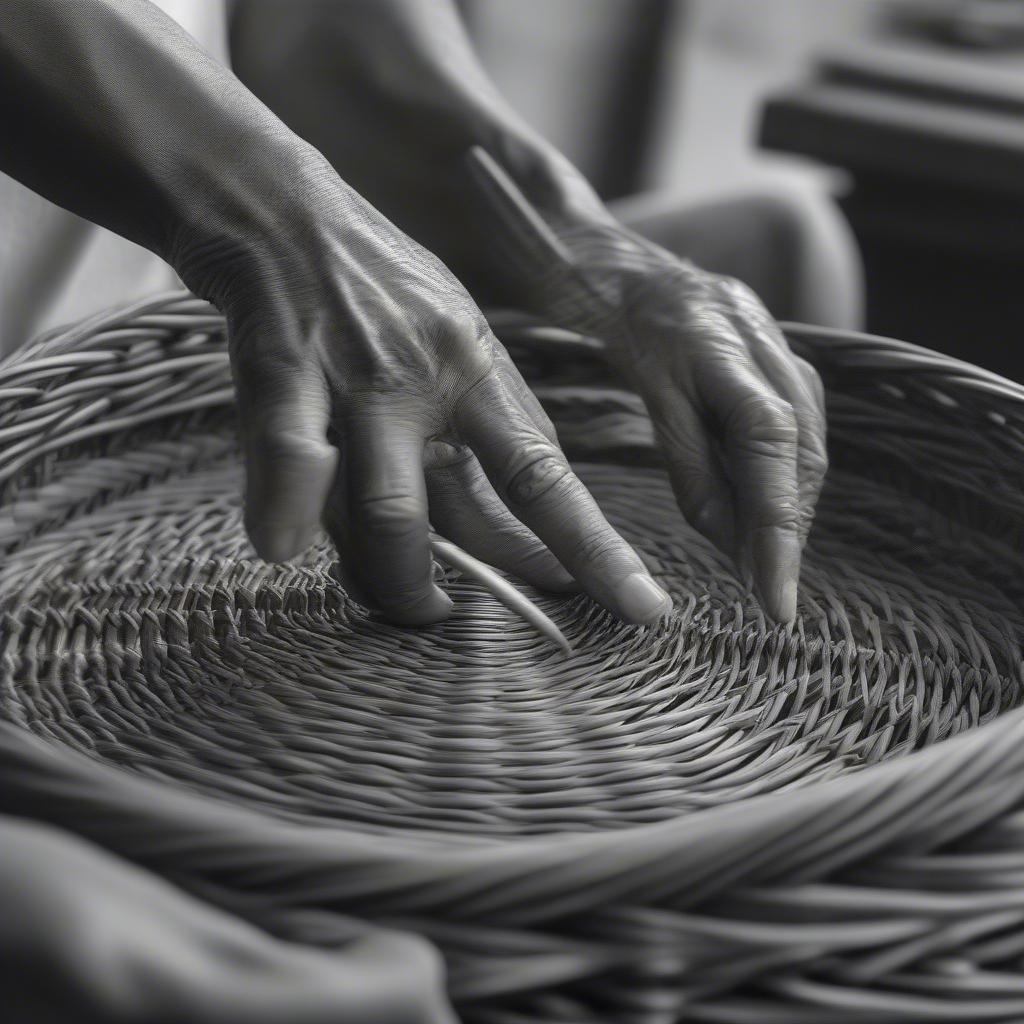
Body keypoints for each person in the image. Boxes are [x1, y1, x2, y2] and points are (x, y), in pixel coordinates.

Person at [0, 2, 861, 1021]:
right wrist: (275, 217)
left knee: (780, 239)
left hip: (198, 342)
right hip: (74, 408)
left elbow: (318, 29)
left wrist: (578, 246)